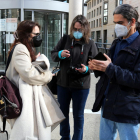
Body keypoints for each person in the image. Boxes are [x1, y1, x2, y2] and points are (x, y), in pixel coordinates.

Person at [6, 20, 65, 140]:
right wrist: (48, 76)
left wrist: (33, 61)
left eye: (39, 34)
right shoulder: (20, 49)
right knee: (27, 133)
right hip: (24, 101)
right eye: (35, 34)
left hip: (24, 99)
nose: (38, 37)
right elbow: (29, 75)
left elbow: (25, 68)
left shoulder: (22, 48)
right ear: (25, 34)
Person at [88, 4, 140, 140]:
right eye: (115, 23)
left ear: (132, 21)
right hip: (108, 103)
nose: (117, 26)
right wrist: (98, 67)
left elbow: (137, 80)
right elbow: (110, 70)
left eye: (120, 23)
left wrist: (109, 68)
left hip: (127, 109)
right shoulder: (116, 43)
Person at [51, 15, 98, 140]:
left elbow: (95, 64)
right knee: (63, 113)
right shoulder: (65, 39)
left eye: (80, 30)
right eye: (75, 29)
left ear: (85, 29)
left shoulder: (90, 43)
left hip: (81, 85)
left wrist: (86, 69)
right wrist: (60, 54)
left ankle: (77, 138)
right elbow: (53, 54)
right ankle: (64, 137)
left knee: (78, 115)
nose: (77, 32)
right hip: (63, 84)